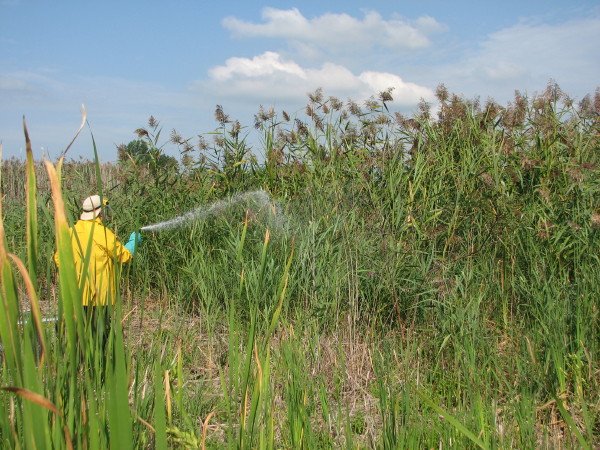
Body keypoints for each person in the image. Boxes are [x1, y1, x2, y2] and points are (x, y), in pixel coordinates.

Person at [54, 194, 141, 347]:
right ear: (100, 214)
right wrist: (133, 243)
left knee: (80, 336)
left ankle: (80, 364)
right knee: (99, 338)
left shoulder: (69, 232)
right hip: (100, 297)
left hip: (76, 295)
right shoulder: (103, 234)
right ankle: (99, 366)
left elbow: (58, 259)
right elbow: (124, 257)